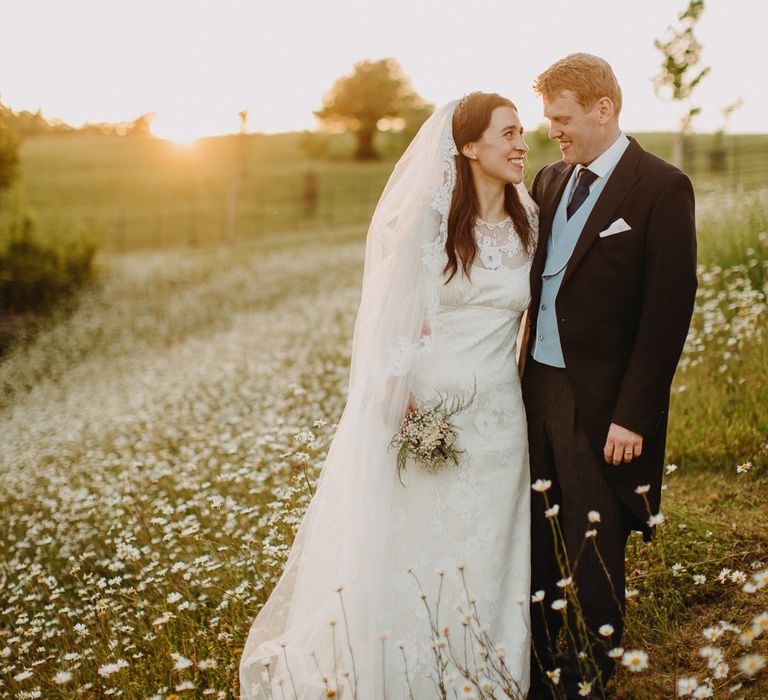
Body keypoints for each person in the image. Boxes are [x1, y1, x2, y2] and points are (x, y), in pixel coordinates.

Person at [240, 93, 538, 698]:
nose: (520, 145)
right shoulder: (428, 227)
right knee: (422, 552)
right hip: (429, 419)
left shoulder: (530, 218)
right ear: (467, 146)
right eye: (506, 134)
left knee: (492, 553)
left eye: (521, 132)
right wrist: (398, 406)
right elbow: (390, 328)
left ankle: (487, 678)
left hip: (501, 423)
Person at [522, 53, 697, 697]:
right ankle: (538, 663)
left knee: (594, 539)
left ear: (605, 108)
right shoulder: (548, 179)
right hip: (533, 385)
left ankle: (595, 674)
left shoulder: (660, 186)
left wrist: (634, 413)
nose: (553, 131)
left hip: (601, 400)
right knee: (535, 533)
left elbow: (667, 312)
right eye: (548, 119)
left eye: (563, 118)